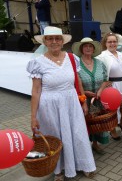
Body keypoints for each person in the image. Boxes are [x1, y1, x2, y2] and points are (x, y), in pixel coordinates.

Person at [27, 26, 96, 180]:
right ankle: (58, 170)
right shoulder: (37, 63)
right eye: (50, 38)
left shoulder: (72, 58)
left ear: (62, 41)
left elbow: (77, 82)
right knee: (56, 137)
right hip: (49, 107)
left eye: (57, 38)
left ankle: (84, 164)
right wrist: (33, 117)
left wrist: (83, 101)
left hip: (71, 102)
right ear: (45, 41)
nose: (54, 41)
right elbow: (36, 91)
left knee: (77, 134)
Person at [72, 37, 110, 154]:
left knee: (98, 122)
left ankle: (95, 144)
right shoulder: (76, 64)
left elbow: (105, 79)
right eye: (85, 46)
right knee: (85, 123)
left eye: (90, 46)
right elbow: (73, 82)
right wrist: (85, 93)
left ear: (93, 49)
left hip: (98, 99)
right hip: (83, 100)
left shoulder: (99, 63)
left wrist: (101, 90)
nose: (88, 48)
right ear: (81, 49)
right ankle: (84, 148)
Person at [96, 33, 122, 137]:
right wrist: (105, 83)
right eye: (109, 42)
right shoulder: (102, 56)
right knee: (112, 108)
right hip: (111, 85)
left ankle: (121, 123)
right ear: (105, 43)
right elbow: (99, 71)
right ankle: (112, 129)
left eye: (114, 41)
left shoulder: (121, 54)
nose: (112, 44)